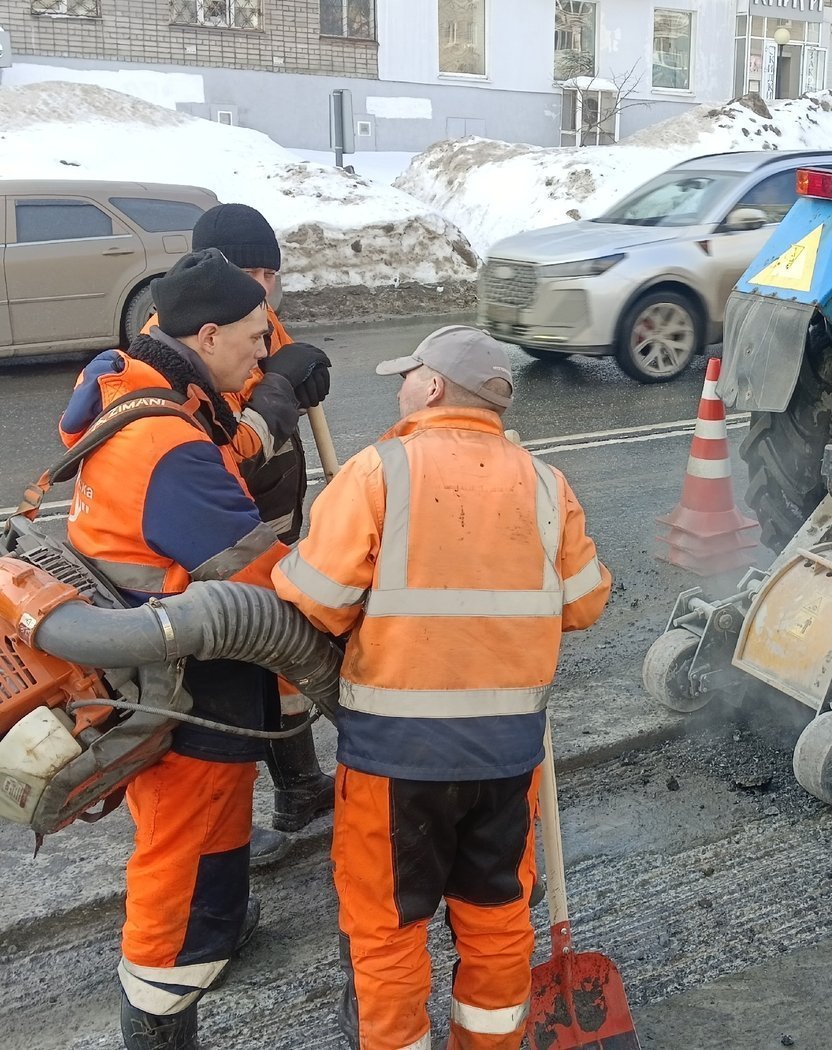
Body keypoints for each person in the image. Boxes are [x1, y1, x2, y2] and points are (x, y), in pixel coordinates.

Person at [273, 325, 611, 1050]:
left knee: (388, 934)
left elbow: (315, 600)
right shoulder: (547, 484)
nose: (401, 386)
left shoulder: (379, 472)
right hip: (505, 759)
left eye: (408, 375)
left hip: (396, 762)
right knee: (495, 922)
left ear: (430, 387)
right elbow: (584, 603)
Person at [61, 249, 290, 1049]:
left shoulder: (136, 382)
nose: (264, 352)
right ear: (208, 332)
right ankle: (157, 1016)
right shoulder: (169, 447)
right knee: (178, 844)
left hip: (166, 662)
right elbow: (263, 580)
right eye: (258, 338)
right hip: (180, 676)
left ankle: (215, 930)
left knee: (218, 813)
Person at [146, 202, 336, 866]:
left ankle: (301, 788)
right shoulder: (179, 349)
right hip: (223, 536)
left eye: (268, 272)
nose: (260, 285)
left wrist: (296, 372)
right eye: (247, 271)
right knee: (243, 674)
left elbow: (274, 375)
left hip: (273, 520)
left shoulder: (254, 318)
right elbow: (231, 444)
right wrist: (279, 391)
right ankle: (220, 831)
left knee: (277, 674)